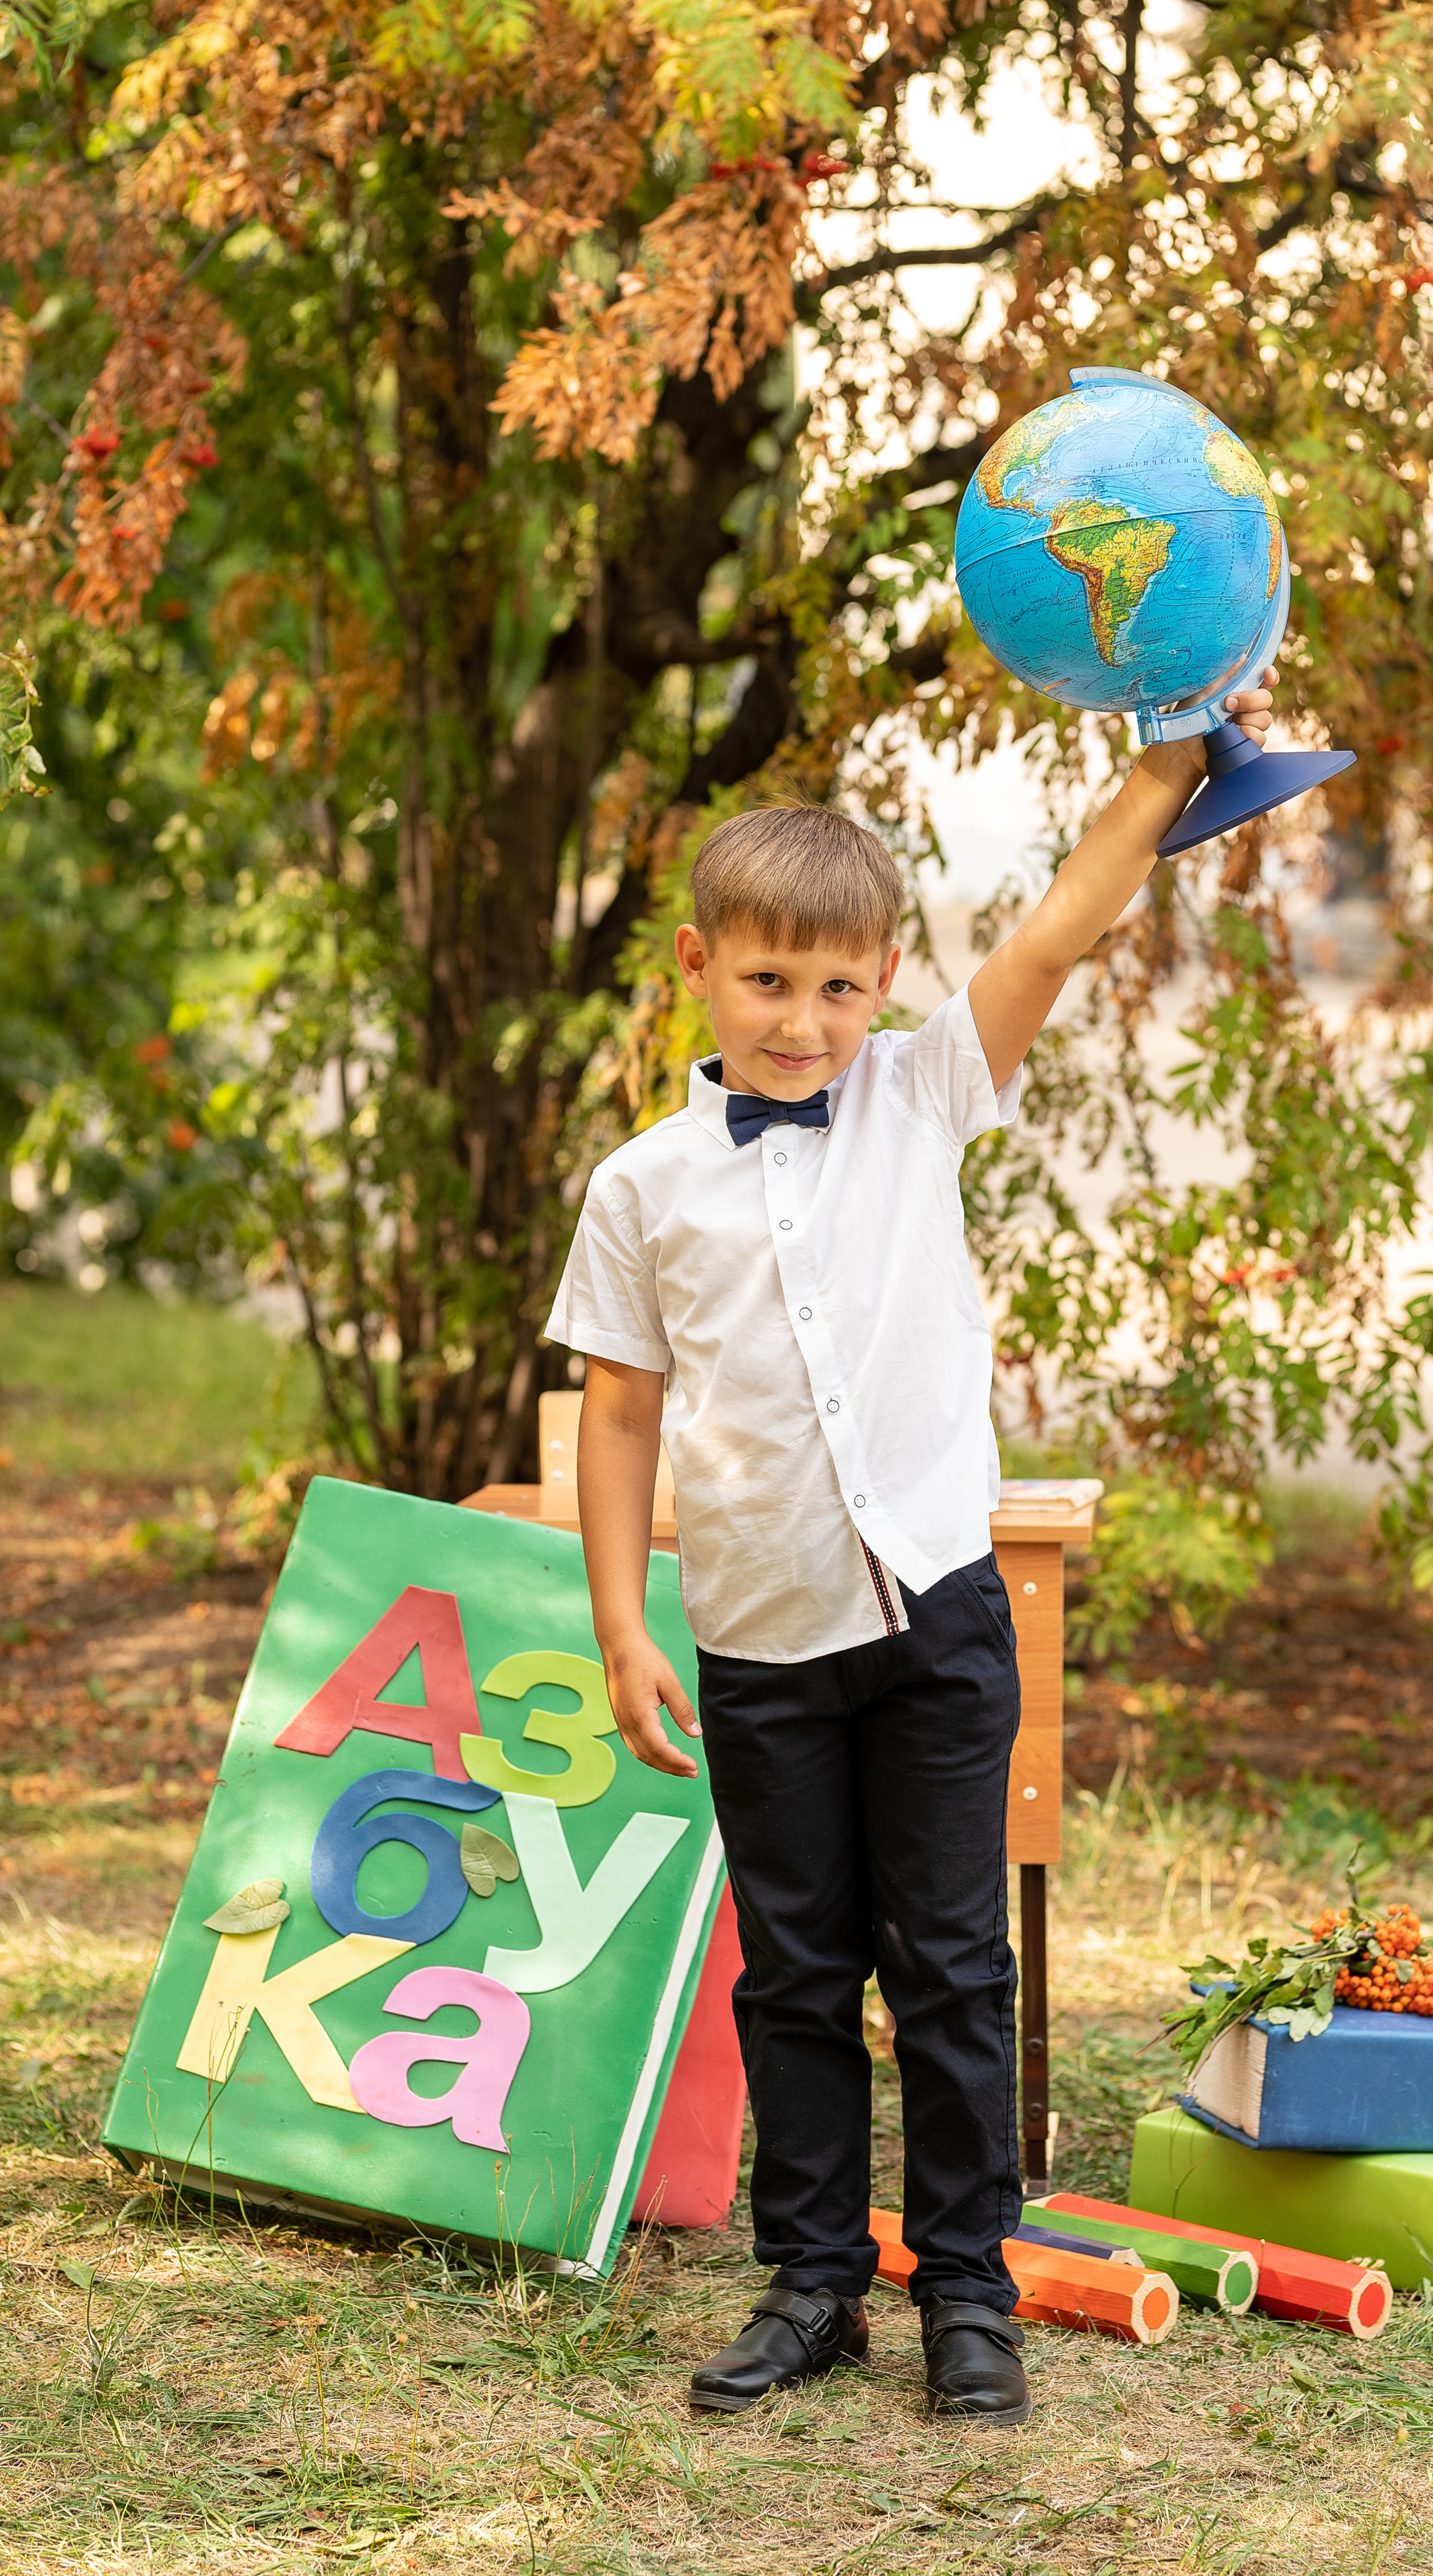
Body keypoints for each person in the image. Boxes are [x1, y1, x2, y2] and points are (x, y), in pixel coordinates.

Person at [544, 686, 1276, 2424]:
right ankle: (810, 2287)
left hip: (937, 1617)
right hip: (757, 1635)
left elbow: (1055, 925)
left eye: (841, 986)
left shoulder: (929, 1093)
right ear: (699, 969)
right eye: (766, 982)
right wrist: (617, 1623)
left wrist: (1171, 759)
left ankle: (965, 2293)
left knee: (951, 1963)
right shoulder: (640, 1187)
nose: (803, 1022)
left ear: (884, 983)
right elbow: (623, 1417)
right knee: (794, 1974)